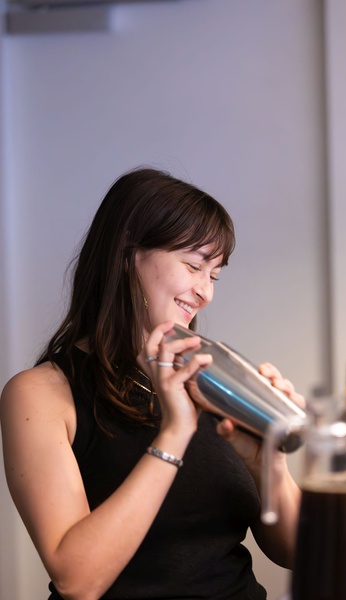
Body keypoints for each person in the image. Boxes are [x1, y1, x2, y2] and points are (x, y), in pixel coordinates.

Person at [0, 167, 303, 600]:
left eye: (214, 275)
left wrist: (266, 463)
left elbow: (297, 552)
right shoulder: (40, 394)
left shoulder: (210, 379)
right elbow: (76, 581)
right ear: (127, 254)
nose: (206, 293)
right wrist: (174, 434)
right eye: (194, 266)